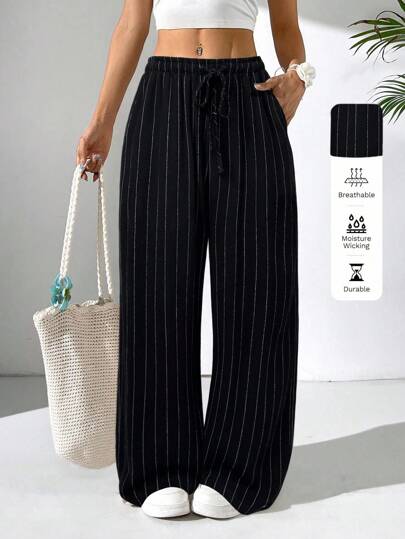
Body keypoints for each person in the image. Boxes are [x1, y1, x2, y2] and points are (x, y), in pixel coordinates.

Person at [76, 0, 314, 519]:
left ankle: (240, 465)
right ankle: (160, 465)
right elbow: (132, 24)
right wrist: (102, 122)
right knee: (157, 283)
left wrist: (299, 75)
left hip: (249, 96)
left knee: (257, 284)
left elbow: (287, 27)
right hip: (164, 97)